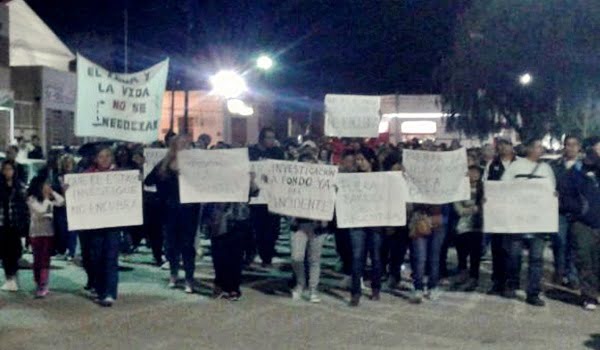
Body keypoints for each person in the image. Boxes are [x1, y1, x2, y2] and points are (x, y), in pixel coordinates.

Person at [502, 138, 556, 307]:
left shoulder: (546, 169)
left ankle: (533, 292)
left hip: (538, 221)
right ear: (530, 148)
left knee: (536, 258)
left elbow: (552, 191)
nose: (541, 150)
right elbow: (503, 188)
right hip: (518, 219)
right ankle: (512, 283)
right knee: (514, 255)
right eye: (538, 146)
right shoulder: (516, 167)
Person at [145, 135, 200, 293]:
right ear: (173, 146)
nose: (184, 146)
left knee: (187, 246)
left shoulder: (196, 164)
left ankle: (189, 278)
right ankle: (174, 274)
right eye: (180, 144)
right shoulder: (164, 164)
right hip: (169, 210)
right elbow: (149, 181)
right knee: (171, 245)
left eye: (186, 143)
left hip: (189, 210)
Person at [559, 137, 600, 310]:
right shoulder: (574, 173)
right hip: (581, 223)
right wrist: (579, 209)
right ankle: (589, 295)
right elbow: (565, 197)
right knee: (584, 259)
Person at [84, 147, 121, 307]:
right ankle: (100, 290)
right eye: (101, 156)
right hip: (95, 224)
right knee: (97, 257)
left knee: (111, 258)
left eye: (107, 156)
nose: (104, 159)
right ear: (96, 159)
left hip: (113, 223)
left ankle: (110, 293)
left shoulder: (121, 176)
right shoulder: (87, 175)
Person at [289, 153, 327, 303]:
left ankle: (313, 289)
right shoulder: (293, 183)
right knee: (296, 257)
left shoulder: (323, 183)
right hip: (299, 224)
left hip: (316, 225)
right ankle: (300, 283)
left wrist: (324, 218)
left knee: (314, 259)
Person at [349, 149, 382, 306]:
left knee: (376, 257)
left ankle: (376, 288)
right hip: (357, 223)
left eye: (362, 159)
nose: (359, 162)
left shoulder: (382, 179)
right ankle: (355, 292)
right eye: (357, 160)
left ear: (371, 161)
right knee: (357, 258)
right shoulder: (351, 179)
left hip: (375, 224)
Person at [248, 127, 284, 266]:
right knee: (257, 228)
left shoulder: (277, 152)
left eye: (273, 137)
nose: (271, 140)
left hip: (272, 196)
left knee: (273, 228)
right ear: (262, 138)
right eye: (269, 137)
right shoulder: (251, 152)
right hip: (256, 197)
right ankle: (253, 252)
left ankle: (267, 256)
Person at [486, 137, 516, 296]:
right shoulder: (493, 165)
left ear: (512, 146)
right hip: (497, 213)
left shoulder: (520, 164)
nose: (503, 148)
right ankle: (497, 282)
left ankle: (510, 283)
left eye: (506, 145)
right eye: (501, 145)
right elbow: (486, 184)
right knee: (497, 249)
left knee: (511, 250)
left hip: (514, 214)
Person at [550, 135, 581, 288]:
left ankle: (573, 275)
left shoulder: (585, 166)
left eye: (574, 144)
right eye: (568, 145)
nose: (571, 148)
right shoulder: (555, 165)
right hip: (560, 211)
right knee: (559, 243)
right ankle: (559, 272)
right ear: (564, 146)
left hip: (578, 213)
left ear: (579, 147)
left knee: (574, 245)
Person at [27, 176, 64, 298]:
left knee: (45, 259)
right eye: (46, 185)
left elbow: (61, 201)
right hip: (36, 233)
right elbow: (40, 211)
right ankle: (38, 281)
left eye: (49, 185)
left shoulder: (49, 199)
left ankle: (43, 284)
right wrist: (48, 200)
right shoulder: (32, 199)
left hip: (48, 233)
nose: (48, 187)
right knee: (37, 260)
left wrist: (53, 193)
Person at [379, 152, 410, 291]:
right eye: (396, 166)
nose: (399, 169)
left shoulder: (408, 181)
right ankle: (385, 275)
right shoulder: (384, 181)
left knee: (399, 252)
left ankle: (395, 276)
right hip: (387, 222)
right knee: (385, 251)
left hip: (404, 223)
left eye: (400, 166)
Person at [453, 165, 484, 291]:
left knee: (475, 253)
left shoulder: (484, 189)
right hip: (462, 225)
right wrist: (473, 209)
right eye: (471, 172)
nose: (474, 175)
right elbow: (458, 208)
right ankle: (462, 273)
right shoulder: (460, 188)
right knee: (462, 251)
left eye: (476, 172)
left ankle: (474, 277)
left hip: (478, 226)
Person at [0, 160, 29, 292]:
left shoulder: (19, 186)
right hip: (2, 223)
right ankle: (9, 278)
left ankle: (13, 276)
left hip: (16, 224)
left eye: (10, 169)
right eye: (5, 169)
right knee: (5, 252)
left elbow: (25, 205)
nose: (7, 172)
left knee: (15, 251)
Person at [334, 150, 356, 289]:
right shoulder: (336, 176)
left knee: (354, 247)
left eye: (352, 162)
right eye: (347, 161)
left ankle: (353, 275)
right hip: (339, 216)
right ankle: (347, 271)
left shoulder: (360, 176)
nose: (350, 165)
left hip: (354, 218)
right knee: (342, 245)